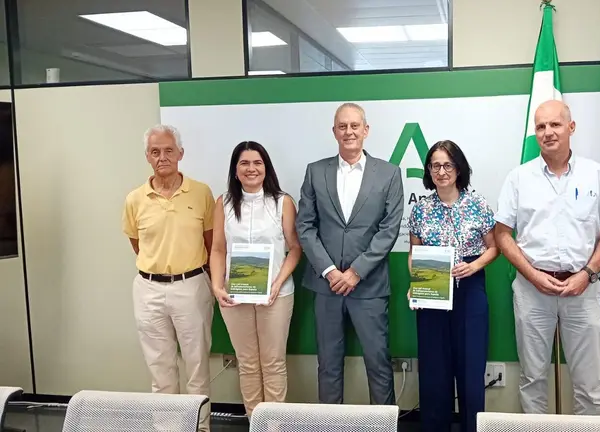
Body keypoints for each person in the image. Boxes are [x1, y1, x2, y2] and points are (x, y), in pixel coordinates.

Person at [494, 100, 600, 416]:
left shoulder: (595, 174)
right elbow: (502, 234)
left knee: (589, 385)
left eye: (555, 124)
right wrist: (532, 274)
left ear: (571, 127)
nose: (547, 132)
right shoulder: (519, 178)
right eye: (541, 126)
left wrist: (588, 274)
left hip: (583, 289)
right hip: (532, 290)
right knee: (532, 380)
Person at [296, 102, 404, 405]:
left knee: (379, 365)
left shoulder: (389, 173)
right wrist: (330, 271)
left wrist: (355, 272)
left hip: (369, 286)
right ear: (334, 132)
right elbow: (305, 227)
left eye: (355, 125)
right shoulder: (315, 172)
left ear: (366, 130)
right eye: (342, 126)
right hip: (326, 286)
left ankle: (384, 427)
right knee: (328, 366)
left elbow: (389, 230)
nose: (349, 132)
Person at [122, 124, 215, 431]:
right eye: (155, 151)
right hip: (148, 289)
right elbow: (138, 245)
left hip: (191, 286)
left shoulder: (201, 193)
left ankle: (199, 427)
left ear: (181, 154)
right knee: (160, 368)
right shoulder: (135, 199)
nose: (162, 157)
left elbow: (211, 243)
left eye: (168, 150)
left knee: (197, 365)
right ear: (147, 156)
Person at [407, 140, 498, 432]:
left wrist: (474, 266)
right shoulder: (420, 209)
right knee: (434, 369)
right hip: (432, 288)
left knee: (471, 369)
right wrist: (416, 282)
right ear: (429, 171)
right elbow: (413, 253)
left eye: (448, 165)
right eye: (435, 165)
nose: (442, 171)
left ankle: (473, 427)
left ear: (458, 168)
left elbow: (494, 248)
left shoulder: (478, 204)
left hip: (470, 288)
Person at [208, 141, 301, 418]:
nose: (251, 168)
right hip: (235, 295)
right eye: (244, 163)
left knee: (273, 363)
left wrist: (277, 283)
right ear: (235, 170)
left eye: (257, 163)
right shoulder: (223, 203)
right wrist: (216, 286)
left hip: (276, 294)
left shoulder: (282, 202)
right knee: (247, 363)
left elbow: (295, 248)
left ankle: (273, 424)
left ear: (266, 167)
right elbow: (218, 249)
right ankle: (254, 420)